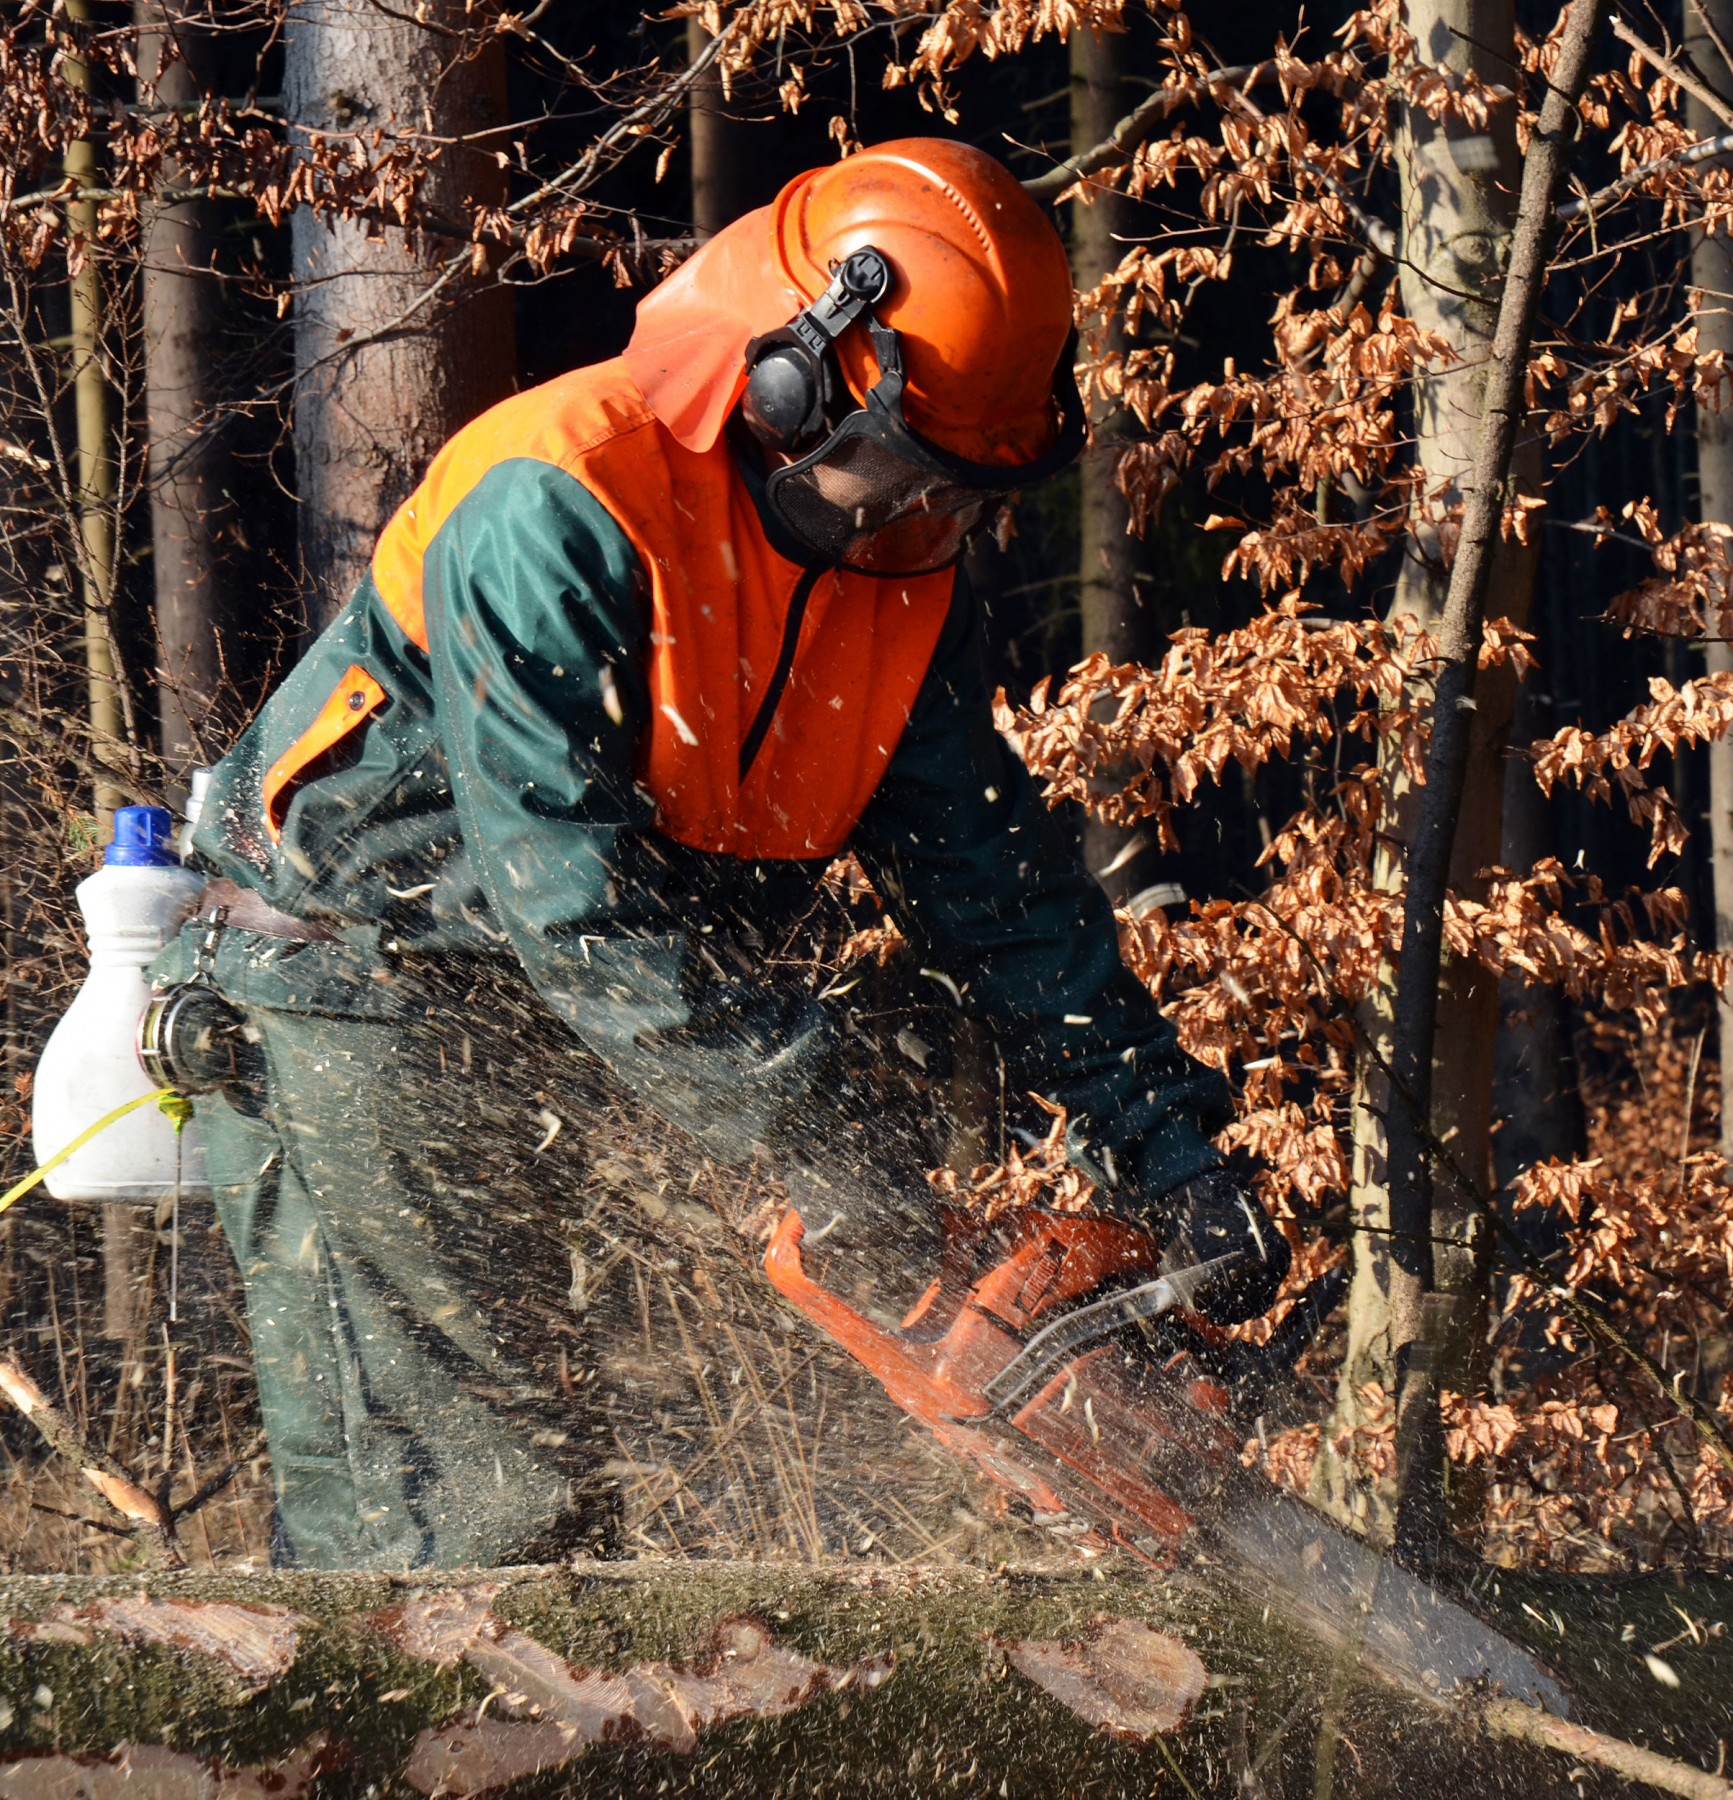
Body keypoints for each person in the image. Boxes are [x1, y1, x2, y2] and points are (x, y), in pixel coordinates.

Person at [153, 137, 1290, 1570]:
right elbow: (567, 892)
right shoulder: (560, 498)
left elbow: (1002, 893)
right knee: (452, 1513)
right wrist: (827, 1142)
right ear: (793, 376)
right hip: (348, 975)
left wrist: (1165, 1144)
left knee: (561, 1502)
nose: (925, 522)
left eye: (961, 493)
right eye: (904, 473)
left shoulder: (897, 591)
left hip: (558, 1010)